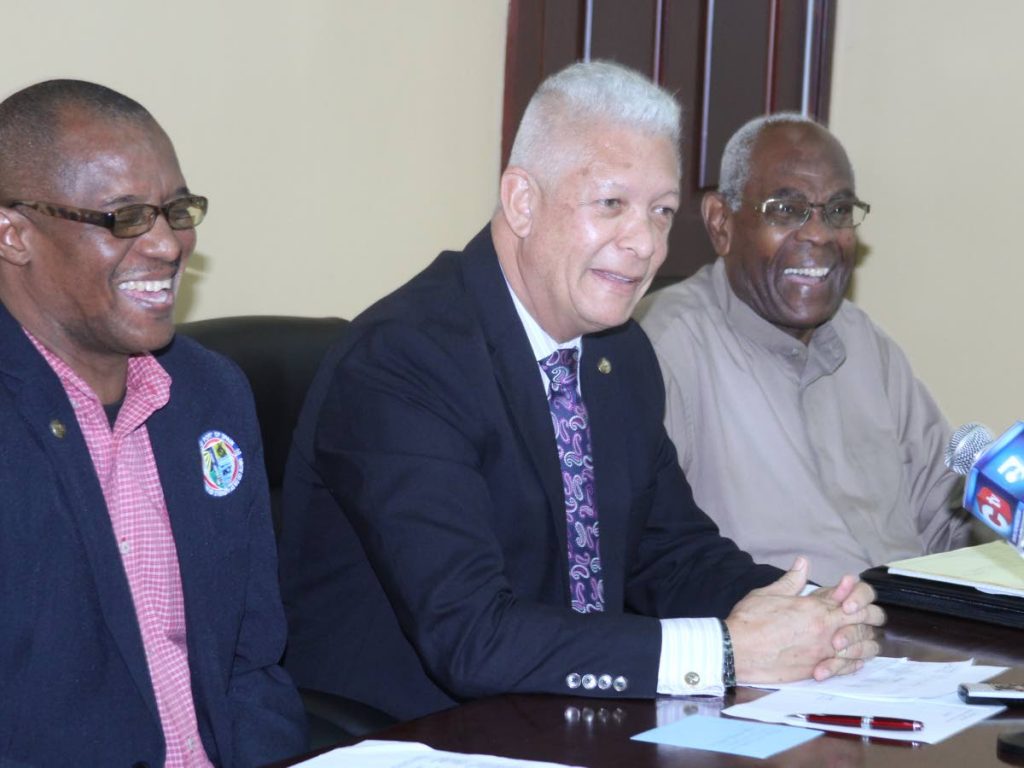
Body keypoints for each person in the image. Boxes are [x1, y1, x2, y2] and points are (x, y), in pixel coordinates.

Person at [278, 62, 884, 722]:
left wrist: (812, 609)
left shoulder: (618, 354)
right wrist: (727, 651)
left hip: (573, 718)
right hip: (416, 736)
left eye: (661, 212)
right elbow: (470, 636)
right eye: (611, 205)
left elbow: (671, 555)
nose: (644, 243)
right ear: (522, 202)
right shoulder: (405, 361)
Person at [0, 80, 306, 767]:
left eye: (176, 210)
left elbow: (252, 665)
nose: (169, 245)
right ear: (13, 234)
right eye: (126, 217)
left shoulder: (211, 396)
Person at [637, 114, 970, 585]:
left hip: (917, 637)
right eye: (786, 210)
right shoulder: (664, 348)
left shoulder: (865, 343)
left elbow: (947, 516)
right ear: (721, 223)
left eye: (837, 211)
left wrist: (1001, 510)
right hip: (782, 641)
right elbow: (647, 559)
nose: (819, 234)